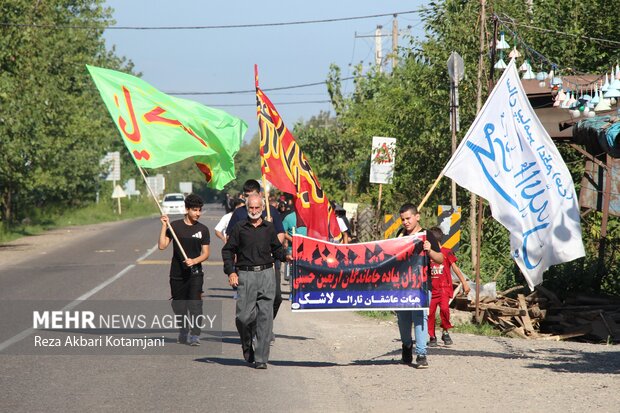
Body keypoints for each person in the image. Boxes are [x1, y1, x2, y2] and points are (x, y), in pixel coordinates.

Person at [222, 194, 290, 369]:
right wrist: (231, 272)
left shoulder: (268, 228)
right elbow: (228, 251)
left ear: (262, 208)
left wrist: (286, 256)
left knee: (265, 318)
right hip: (246, 276)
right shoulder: (239, 228)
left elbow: (276, 249)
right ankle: (247, 344)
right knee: (243, 317)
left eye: (257, 208)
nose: (254, 211)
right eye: (250, 208)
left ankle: (261, 358)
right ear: (247, 208)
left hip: (266, 274)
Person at [226, 179, 286, 324]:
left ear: (260, 194)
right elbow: (230, 237)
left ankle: (264, 326)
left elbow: (280, 233)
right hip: (248, 265)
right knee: (249, 303)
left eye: (251, 195)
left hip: (270, 263)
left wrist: (272, 245)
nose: (249, 199)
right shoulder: (239, 214)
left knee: (276, 297)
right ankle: (255, 328)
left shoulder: (271, 212)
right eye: (246, 196)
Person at [394, 203, 443, 369]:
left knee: (420, 318)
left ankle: (421, 354)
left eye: (408, 218)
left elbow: (440, 259)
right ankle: (407, 346)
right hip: (402, 286)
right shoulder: (400, 234)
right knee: (403, 320)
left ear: (417, 216)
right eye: (403, 219)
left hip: (422, 285)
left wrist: (429, 250)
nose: (406, 222)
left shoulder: (427, 235)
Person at [158, 193, 210, 346]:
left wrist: (194, 261)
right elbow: (162, 246)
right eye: (195, 210)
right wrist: (164, 226)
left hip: (195, 274)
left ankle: (195, 334)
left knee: (195, 305)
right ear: (187, 209)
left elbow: (206, 253)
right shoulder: (175, 227)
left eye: (199, 210)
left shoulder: (203, 229)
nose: (198, 213)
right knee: (178, 305)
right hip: (177, 273)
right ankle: (183, 329)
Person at [427, 226, 471, 347]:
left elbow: (455, 268)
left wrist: (464, 283)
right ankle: (432, 336)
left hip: (444, 288)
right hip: (431, 289)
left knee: (445, 310)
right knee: (429, 314)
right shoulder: (427, 253)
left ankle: (445, 332)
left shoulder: (446, 252)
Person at [281, 204, 307, 282]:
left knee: (305, 274)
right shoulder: (289, 218)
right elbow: (282, 231)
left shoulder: (309, 217)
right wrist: (292, 239)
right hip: (292, 249)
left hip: (306, 249)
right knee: (293, 275)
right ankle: (293, 292)